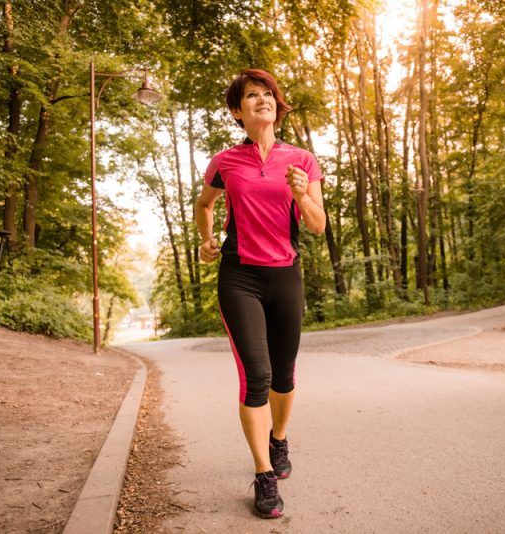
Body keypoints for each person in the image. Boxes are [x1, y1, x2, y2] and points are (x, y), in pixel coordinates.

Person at [194, 69, 326, 519]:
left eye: (267, 94)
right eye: (252, 96)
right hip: (239, 276)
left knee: (285, 374)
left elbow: (317, 224)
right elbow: (204, 204)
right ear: (238, 111)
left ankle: (279, 438)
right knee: (257, 376)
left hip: (285, 274)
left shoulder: (302, 160)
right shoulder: (226, 161)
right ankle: (264, 474)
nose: (262, 100)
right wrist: (207, 238)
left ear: (276, 105)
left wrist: (301, 194)